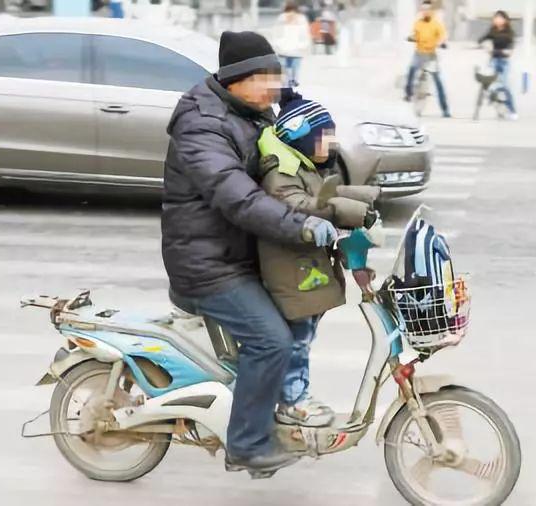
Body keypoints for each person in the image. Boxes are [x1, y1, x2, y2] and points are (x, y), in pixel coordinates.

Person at [162, 31, 337, 474]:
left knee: (300, 312)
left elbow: (290, 163)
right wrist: (302, 227)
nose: (272, 88)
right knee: (271, 339)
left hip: (240, 254)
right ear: (237, 79)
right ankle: (247, 444)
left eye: (276, 78)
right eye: (264, 79)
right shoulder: (202, 123)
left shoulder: (252, 111)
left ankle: (277, 405)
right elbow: (238, 197)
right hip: (208, 264)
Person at [256, 90, 380, 427]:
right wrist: (352, 214)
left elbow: (326, 193)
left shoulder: (304, 167)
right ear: (302, 138)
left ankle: (292, 394)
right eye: (326, 137)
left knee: (304, 337)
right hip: (290, 274)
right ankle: (292, 402)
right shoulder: (280, 173)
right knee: (297, 342)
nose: (333, 144)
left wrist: (367, 200)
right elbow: (303, 205)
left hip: (303, 270)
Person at [404, 0, 451, 118]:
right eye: (423, 9)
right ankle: (408, 94)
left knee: (438, 81)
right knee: (411, 70)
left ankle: (445, 109)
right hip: (419, 54)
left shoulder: (436, 24)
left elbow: (443, 36)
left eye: (427, 9)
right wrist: (411, 37)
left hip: (431, 56)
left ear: (431, 11)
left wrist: (442, 43)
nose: (425, 12)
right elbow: (414, 34)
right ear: (421, 10)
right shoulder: (417, 23)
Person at [478, 10, 518, 120]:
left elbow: (510, 50)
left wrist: (500, 51)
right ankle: (497, 103)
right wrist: (484, 46)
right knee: (490, 86)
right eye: (495, 18)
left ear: (505, 20)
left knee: (504, 86)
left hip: (504, 62)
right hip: (493, 61)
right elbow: (481, 39)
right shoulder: (492, 31)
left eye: (499, 18)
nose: (496, 20)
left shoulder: (509, 33)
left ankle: (512, 110)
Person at [273, 2, 311, 87]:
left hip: (296, 49)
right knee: (286, 67)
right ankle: (288, 82)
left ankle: (292, 81)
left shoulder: (301, 19)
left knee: (294, 67)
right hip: (284, 48)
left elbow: (305, 33)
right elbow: (276, 32)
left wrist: (304, 44)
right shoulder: (281, 18)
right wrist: (277, 43)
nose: (291, 14)